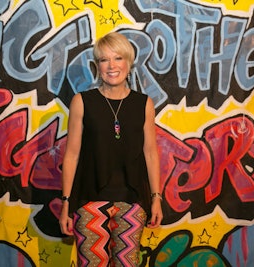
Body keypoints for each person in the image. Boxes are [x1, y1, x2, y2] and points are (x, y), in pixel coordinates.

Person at [59, 31, 163, 267]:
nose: (111, 66)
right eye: (104, 60)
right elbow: (72, 155)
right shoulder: (82, 101)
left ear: (129, 63)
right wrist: (66, 201)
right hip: (89, 200)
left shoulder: (144, 103)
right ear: (97, 66)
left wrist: (156, 198)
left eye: (118, 58)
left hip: (132, 200)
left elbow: (151, 153)